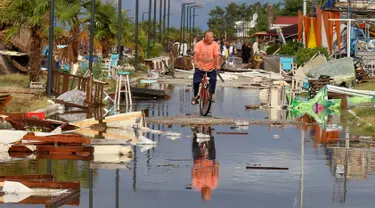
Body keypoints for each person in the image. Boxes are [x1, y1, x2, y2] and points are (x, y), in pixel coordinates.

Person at [191, 30, 221, 105]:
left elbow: (217, 56)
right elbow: (196, 54)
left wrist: (217, 65)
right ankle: (195, 96)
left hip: (211, 66)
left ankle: (212, 94)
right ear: (205, 38)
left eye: (212, 37)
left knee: (213, 79)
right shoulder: (199, 44)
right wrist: (195, 62)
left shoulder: (215, 44)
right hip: (200, 66)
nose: (212, 38)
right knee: (196, 81)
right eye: (210, 37)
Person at [191, 126, 218, 201]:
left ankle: (195, 135)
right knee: (212, 153)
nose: (207, 191)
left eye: (206, 193)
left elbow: (193, 174)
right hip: (209, 162)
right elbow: (215, 175)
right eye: (208, 193)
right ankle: (211, 136)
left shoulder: (196, 185)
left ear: (202, 193)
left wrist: (196, 165)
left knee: (195, 150)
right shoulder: (213, 185)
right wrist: (216, 166)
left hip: (198, 162)